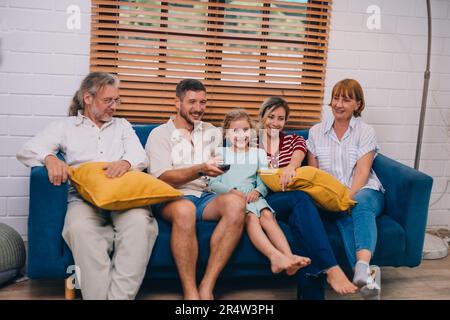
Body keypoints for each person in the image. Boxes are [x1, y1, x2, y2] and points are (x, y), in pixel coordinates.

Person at [16, 72, 158, 300]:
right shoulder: (66, 126)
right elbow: (27, 149)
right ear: (88, 98)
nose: (114, 106)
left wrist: (125, 162)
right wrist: (50, 158)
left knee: (141, 226)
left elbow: (140, 156)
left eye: (116, 100)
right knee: (80, 230)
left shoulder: (122, 126)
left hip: (123, 197)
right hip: (83, 199)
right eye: (107, 100)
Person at [145, 79, 246, 300]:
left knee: (237, 204)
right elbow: (163, 177)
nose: (198, 108)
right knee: (185, 210)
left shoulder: (211, 132)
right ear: (177, 103)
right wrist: (200, 169)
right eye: (192, 102)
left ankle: (207, 285)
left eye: (203, 102)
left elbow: (243, 140)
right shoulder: (159, 134)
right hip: (172, 196)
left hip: (206, 196)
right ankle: (190, 292)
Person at [257, 96, 358, 296]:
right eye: (271, 117)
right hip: (268, 200)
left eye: (281, 118)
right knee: (301, 199)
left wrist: (291, 168)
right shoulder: (252, 142)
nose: (275, 123)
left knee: (301, 217)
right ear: (262, 117)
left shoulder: (294, 139)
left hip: (294, 200)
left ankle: (312, 293)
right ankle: (331, 267)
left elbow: (299, 154)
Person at [307, 78, 384, 298]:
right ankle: (365, 277)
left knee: (358, 204)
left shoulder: (365, 131)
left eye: (347, 99)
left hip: (365, 191)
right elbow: (316, 175)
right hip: (332, 195)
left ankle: (361, 266)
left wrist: (346, 199)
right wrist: (333, 201)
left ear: (358, 105)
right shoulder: (316, 132)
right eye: (336, 98)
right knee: (343, 218)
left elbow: (362, 174)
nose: (339, 104)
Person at [209, 109, 311, 276]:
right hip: (231, 198)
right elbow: (213, 183)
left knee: (267, 216)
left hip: (253, 196)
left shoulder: (259, 153)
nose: (241, 135)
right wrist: (233, 193)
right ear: (226, 134)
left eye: (245, 130)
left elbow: (264, 179)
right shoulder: (221, 153)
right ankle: (274, 256)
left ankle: (289, 256)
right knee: (251, 219)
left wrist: (257, 191)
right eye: (235, 131)